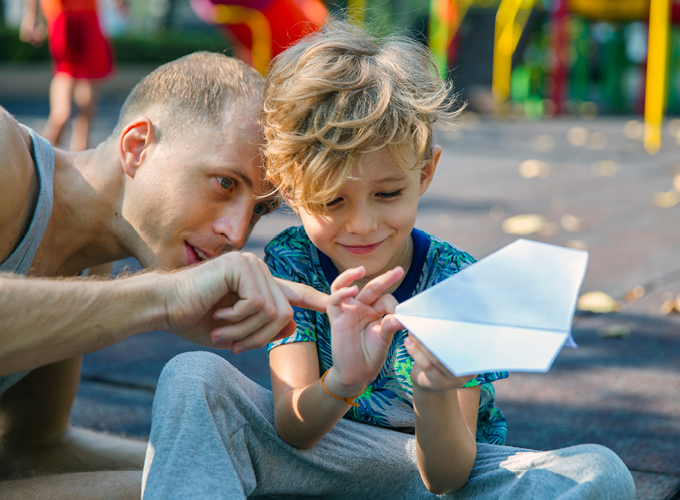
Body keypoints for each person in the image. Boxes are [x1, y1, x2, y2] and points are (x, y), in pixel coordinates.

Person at [141, 21, 636, 499]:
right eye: (333, 201)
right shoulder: (293, 261)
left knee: (598, 473)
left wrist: (433, 387)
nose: (361, 224)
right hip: (327, 460)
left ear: (426, 172)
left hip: (430, 479)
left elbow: (447, 477)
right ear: (291, 188)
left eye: (387, 193)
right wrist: (345, 381)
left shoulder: (455, 281)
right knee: (193, 376)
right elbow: (294, 430)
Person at [0, 52, 326, 499]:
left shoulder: (89, 262)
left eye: (258, 211)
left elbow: (30, 448)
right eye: (225, 183)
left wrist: (270, 468)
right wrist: (162, 299)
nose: (235, 233)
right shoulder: (5, 159)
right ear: (137, 147)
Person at [19, 0, 120, 151]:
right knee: (61, 111)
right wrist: (31, 16)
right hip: (61, 12)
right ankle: (43, 154)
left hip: (88, 11)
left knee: (88, 81)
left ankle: (81, 151)